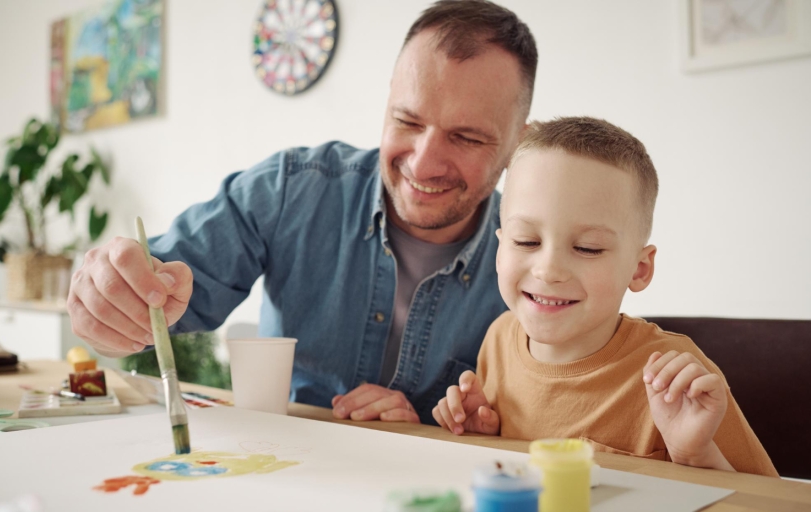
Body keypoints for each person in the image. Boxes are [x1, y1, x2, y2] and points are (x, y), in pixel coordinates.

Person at [66, 0, 537, 425]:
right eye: (406, 121)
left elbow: (544, 422)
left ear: (518, 144)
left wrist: (436, 430)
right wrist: (111, 302)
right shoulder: (291, 188)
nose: (422, 162)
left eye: (467, 138)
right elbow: (154, 292)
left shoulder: (537, 260)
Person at [432, 117, 778, 476]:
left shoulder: (678, 377)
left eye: (587, 248)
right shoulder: (499, 339)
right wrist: (481, 436)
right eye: (527, 241)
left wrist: (694, 455)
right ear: (500, 250)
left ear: (639, 269)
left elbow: (775, 502)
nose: (548, 270)